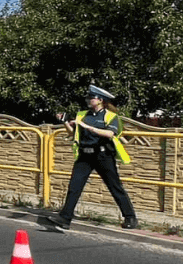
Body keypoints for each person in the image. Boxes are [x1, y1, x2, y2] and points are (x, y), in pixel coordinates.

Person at [50, 84, 137, 231]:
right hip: (85, 155)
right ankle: (65, 218)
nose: (89, 100)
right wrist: (65, 122)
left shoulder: (110, 116)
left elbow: (110, 134)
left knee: (115, 186)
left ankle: (130, 217)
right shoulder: (82, 114)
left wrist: (88, 127)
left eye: (92, 97)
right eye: (89, 97)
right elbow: (73, 134)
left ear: (101, 100)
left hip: (102, 155)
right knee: (74, 187)